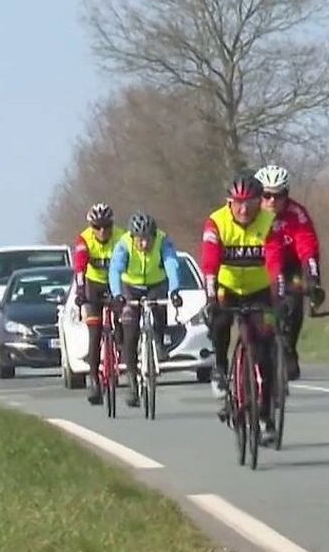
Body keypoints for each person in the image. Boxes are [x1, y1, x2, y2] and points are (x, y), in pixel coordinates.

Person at [200, 172, 290, 443]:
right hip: (226, 287)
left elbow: (275, 262)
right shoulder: (216, 222)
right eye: (237, 202)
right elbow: (210, 261)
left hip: (258, 290)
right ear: (229, 201)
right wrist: (210, 295)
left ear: (258, 202)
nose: (243, 209)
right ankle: (219, 365)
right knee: (219, 321)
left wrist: (280, 294)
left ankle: (264, 416)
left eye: (249, 202)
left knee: (264, 352)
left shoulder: (269, 222)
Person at [254, 163, 326, 380]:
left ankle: (289, 349)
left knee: (294, 303)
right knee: (264, 308)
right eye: (266, 195)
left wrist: (313, 279)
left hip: (290, 266)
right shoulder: (250, 213)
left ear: (287, 195)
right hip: (258, 267)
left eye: (279, 195)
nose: (272, 202)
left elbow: (308, 247)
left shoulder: (296, 214)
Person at [108, 211, 185, 407]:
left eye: (148, 240)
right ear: (133, 237)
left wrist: (174, 290)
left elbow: (171, 264)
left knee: (157, 307)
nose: (144, 245)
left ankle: (159, 343)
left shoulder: (162, 240)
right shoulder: (123, 244)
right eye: (140, 240)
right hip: (129, 286)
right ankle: (133, 384)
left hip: (155, 284)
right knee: (130, 333)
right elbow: (115, 270)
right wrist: (117, 295)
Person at [70, 203, 126, 405]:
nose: (102, 231)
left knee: (123, 321)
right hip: (93, 286)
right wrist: (79, 292)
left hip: (115, 285)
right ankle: (94, 379)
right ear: (91, 227)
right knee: (94, 333)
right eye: (97, 227)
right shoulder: (84, 239)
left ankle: (120, 351)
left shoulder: (121, 237)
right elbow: (79, 268)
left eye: (106, 226)